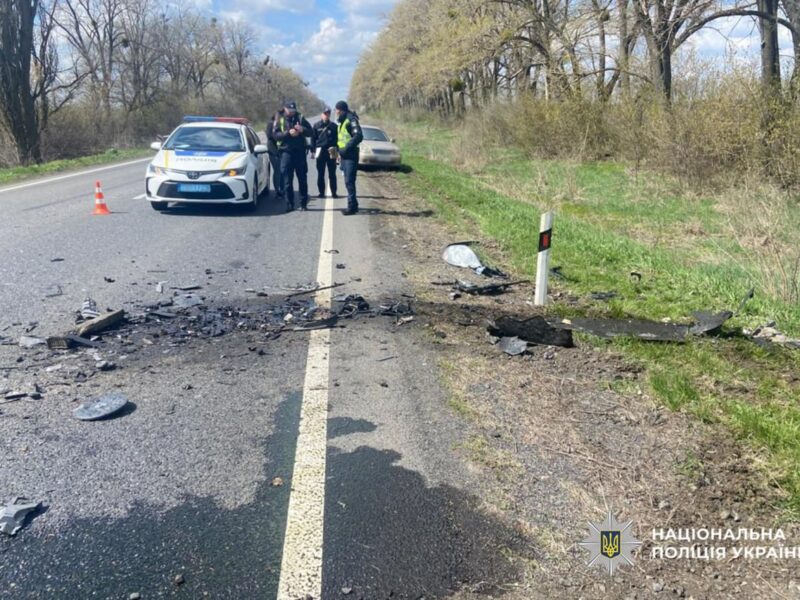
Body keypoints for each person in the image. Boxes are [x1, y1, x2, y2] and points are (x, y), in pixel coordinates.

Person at [273, 100, 313, 211]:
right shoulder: (280, 119)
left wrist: (302, 130)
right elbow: (275, 135)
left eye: (293, 110)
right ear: (285, 109)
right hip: (286, 153)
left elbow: (311, 132)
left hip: (300, 153)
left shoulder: (300, 117)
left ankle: (303, 204)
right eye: (290, 110)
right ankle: (289, 204)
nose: (292, 112)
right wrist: (287, 133)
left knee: (302, 180)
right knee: (287, 181)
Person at [334, 100, 363, 215]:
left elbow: (358, 136)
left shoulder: (351, 120)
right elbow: (340, 139)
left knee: (349, 181)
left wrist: (345, 149)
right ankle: (354, 205)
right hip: (344, 156)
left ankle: (351, 207)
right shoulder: (341, 122)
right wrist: (338, 153)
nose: (336, 112)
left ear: (341, 110)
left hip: (351, 155)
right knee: (348, 182)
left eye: (336, 110)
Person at [311, 107, 338, 199]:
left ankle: (334, 192)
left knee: (332, 173)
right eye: (325, 114)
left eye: (328, 114)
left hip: (332, 150)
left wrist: (337, 152)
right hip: (320, 151)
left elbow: (337, 140)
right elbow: (313, 139)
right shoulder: (316, 125)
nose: (326, 115)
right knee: (320, 173)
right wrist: (313, 151)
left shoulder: (334, 126)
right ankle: (321, 192)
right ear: (321, 114)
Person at [265, 108, 284, 201]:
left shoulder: (284, 124)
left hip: (282, 150)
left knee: (283, 171)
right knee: (277, 170)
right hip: (273, 151)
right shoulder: (270, 124)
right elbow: (269, 136)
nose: (280, 117)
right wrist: (275, 129)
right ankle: (277, 190)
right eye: (279, 115)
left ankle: (283, 189)